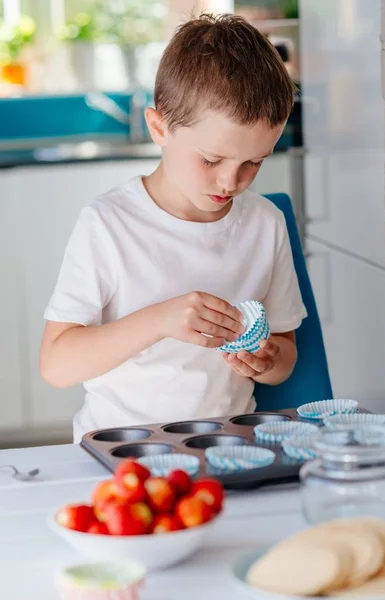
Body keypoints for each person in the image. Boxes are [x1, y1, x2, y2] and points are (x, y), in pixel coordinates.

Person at [40, 13, 307, 442]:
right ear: (159, 128)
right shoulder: (109, 224)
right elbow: (56, 364)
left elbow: (286, 353)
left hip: (228, 446)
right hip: (121, 450)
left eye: (253, 162)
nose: (230, 182)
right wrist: (159, 320)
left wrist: (268, 360)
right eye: (211, 159)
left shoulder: (264, 224)